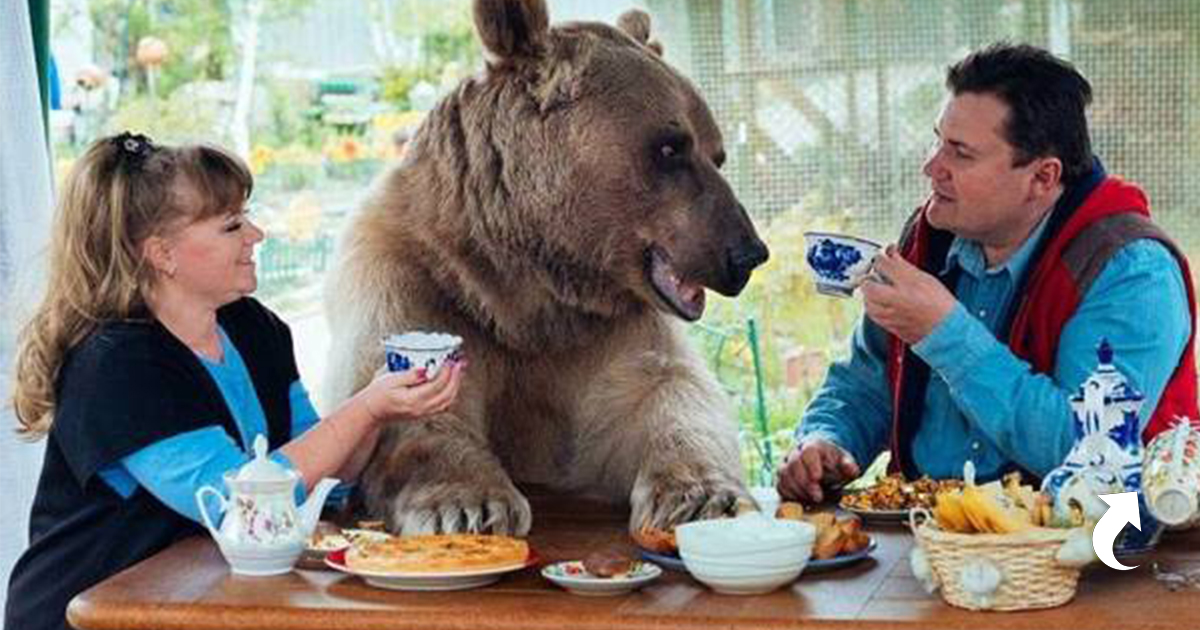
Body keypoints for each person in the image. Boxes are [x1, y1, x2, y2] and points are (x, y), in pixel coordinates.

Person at [5, 132, 467, 630]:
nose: (256, 234)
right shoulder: (116, 367)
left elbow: (324, 482)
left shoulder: (254, 327)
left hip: (195, 605)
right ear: (163, 254)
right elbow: (241, 506)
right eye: (231, 225)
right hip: (86, 616)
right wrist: (366, 408)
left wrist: (384, 408)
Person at [777, 43, 1198, 503]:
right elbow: (866, 383)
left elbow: (1090, 452)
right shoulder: (928, 238)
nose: (931, 167)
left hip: (1089, 556)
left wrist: (944, 333)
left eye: (960, 153)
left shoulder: (1131, 272)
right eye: (938, 140)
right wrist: (826, 441)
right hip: (930, 540)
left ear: (1042, 177)